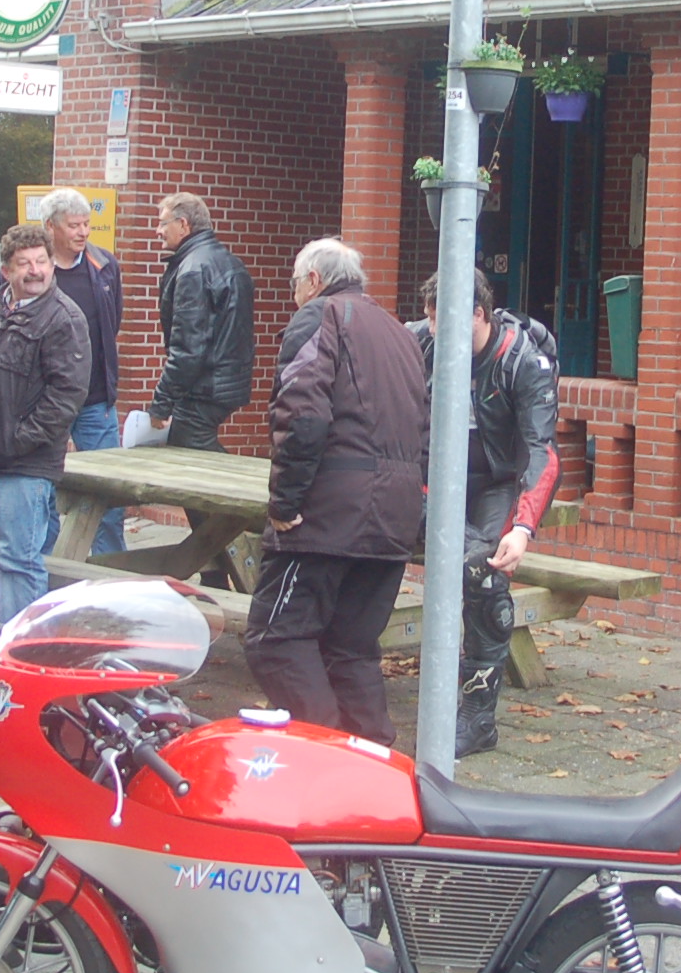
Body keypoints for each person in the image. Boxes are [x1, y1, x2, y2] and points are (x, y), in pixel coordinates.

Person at [245, 238, 428, 745]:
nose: (293, 296)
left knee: (275, 640)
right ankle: (374, 763)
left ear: (314, 281)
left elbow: (302, 415)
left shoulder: (318, 317)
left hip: (326, 517)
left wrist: (285, 503)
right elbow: (424, 426)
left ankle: (323, 751)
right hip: (394, 514)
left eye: (294, 285)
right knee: (351, 649)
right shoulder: (401, 333)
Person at [413, 268, 563, 757]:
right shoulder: (422, 342)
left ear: (477, 314)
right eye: (429, 319)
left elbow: (543, 452)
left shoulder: (523, 361)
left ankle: (477, 719)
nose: (432, 330)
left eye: (442, 320)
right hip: (431, 479)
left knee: (484, 571)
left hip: (495, 482)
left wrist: (523, 528)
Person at [0, 222, 89, 622]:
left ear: (52, 265)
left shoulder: (64, 318)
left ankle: (19, 651)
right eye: (24, 263)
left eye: (41, 261)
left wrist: (16, 440)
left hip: (24, 466)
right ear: (6, 270)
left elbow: (66, 396)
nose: (35, 271)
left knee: (18, 561)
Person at [34, 187, 126, 555]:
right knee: (42, 490)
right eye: (74, 225)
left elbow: (111, 323)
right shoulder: (31, 270)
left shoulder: (105, 266)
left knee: (108, 492)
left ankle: (110, 571)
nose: (83, 232)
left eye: (86, 224)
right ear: (50, 227)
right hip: (42, 401)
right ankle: (45, 571)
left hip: (95, 399)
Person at [148, 192, 255, 450]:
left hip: (203, 388)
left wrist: (161, 403)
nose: (158, 231)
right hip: (224, 382)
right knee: (194, 448)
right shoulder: (229, 262)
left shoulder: (192, 270)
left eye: (163, 223)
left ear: (183, 225)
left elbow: (188, 348)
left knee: (188, 452)